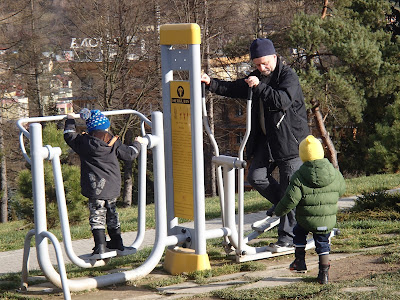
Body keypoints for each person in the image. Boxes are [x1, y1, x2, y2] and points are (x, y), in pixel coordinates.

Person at [201, 38, 310, 249]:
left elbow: (282, 101)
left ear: (274, 57)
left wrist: (259, 86)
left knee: (289, 188)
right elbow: (233, 88)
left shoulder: (288, 76)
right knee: (256, 177)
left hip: (290, 142)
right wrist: (211, 83)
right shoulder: (257, 77)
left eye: (264, 63)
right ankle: (287, 206)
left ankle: (287, 239)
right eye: (257, 64)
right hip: (267, 140)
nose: (261, 67)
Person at [64, 108, 147, 259]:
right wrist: (138, 143)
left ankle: (100, 246)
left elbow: (68, 135)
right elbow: (130, 154)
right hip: (112, 186)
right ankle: (117, 243)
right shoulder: (113, 143)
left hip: (94, 187)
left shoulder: (83, 142)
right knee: (112, 213)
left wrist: (70, 119)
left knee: (97, 215)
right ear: (106, 128)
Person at [274, 135, 346, 284]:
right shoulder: (334, 172)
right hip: (327, 219)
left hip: (306, 219)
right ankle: (323, 274)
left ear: (303, 155)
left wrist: (278, 211)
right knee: (323, 241)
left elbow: (291, 200)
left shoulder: (299, 176)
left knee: (299, 232)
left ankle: (300, 262)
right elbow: (342, 189)